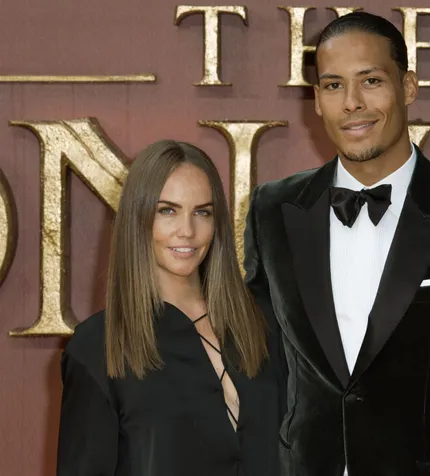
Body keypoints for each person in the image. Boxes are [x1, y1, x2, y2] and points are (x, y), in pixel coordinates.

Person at [244, 12, 430, 476]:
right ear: (318, 101)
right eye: (333, 86)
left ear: (407, 87)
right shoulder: (273, 210)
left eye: (370, 81)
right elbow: (261, 370)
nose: (352, 103)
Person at [57, 140, 280, 476]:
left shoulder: (264, 324)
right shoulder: (97, 347)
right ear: (138, 217)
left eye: (202, 212)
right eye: (167, 211)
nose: (187, 231)